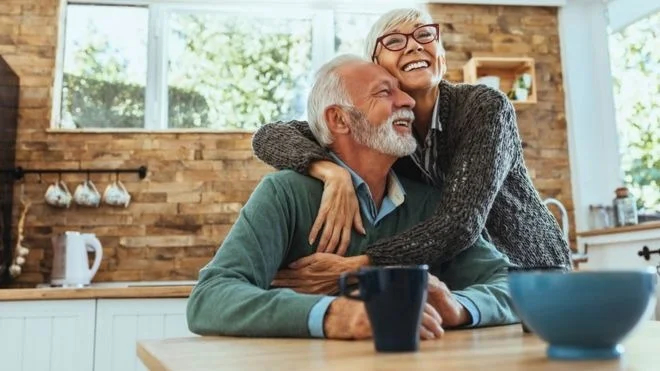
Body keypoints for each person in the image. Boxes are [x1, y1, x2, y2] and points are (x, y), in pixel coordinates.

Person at [186, 54, 518, 340]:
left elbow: (512, 286)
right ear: (339, 119)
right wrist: (337, 315)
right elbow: (210, 297)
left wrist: (459, 307)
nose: (408, 102)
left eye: (402, 92)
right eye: (385, 92)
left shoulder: (429, 203)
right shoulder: (285, 194)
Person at [251, 8, 572, 270]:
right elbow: (270, 136)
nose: (415, 45)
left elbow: (460, 222)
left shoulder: (484, 107)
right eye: (393, 41)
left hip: (532, 272)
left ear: (441, 56)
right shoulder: (381, 131)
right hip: (466, 279)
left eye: (424, 35)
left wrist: (363, 264)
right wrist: (330, 172)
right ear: (377, 68)